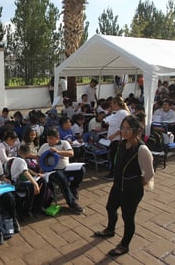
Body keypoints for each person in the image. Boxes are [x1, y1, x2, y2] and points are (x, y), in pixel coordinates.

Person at [94, 116, 154, 257]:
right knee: (110, 207)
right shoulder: (122, 144)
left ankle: (124, 245)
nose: (124, 131)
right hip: (117, 186)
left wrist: (140, 183)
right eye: (122, 128)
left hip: (132, 190)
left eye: (128, 128)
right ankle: (110, 229)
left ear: (137, 130)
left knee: (128, 217)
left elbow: (150, 173)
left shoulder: (141, 149)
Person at [37, 128, 85, 214]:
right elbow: (40, 158)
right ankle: (72, 203)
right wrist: (41, 170)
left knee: (81, 169)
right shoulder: (44, 146)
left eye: (51, 138)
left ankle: (73, 188)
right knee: (62, 179)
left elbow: (71, 153)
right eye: (48, 138)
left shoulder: (64, 143)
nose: (49, 140)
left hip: (66, 167)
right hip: (53, 170)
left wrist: (58, 151)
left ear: (57, 137)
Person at [103, 96, 130, 180]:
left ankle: (114, 174)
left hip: (118, 139)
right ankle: (113, 173)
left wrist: (114, 135)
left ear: (116, 104)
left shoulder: (123, 113)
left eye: (112, 104)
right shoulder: (117, 113)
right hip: (114, 139)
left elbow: (122, 127)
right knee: (113, 156)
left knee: (115, 157)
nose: (111, 105)